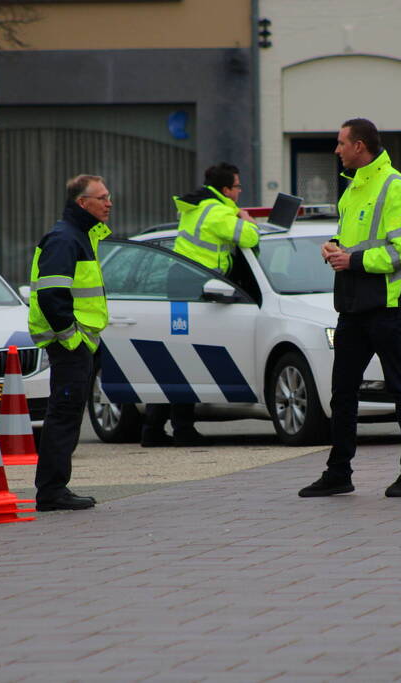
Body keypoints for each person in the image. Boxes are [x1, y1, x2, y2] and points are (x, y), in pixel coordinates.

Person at [299, 118, 401, 498]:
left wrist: (351, 262)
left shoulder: (398, 188)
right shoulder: (352, 187)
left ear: (360, 146)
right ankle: (339, 473)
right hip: (354, 306)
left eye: (341, 143)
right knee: (342, 392)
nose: (336, 150)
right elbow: (355, 239)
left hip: (389, 307)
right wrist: (334, 246)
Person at [140, 163, 261, 448]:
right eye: (238, 187)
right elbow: (250, 236)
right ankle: (182, 428)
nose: (240, 192)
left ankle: (153, 428)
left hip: (181, 282)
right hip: (195, 286)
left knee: (175, 358)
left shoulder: (198, 206)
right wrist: (246, 220)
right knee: (187, 359)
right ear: (225, 190)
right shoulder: (217, 211)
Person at [28, 174, 112, 511]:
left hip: (81, 343)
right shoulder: (66, 238)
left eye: (108, 197)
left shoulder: (79, 236)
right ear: (82, 203)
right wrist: (72, 339)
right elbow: (51, 296)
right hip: (71, 345)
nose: (109, 203)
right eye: (102, 198)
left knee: (67, 415)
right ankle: (51, 491)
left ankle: (54, 488)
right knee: (63, 416)